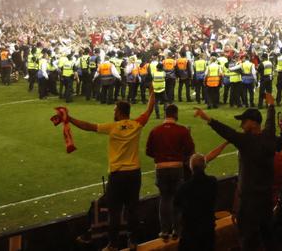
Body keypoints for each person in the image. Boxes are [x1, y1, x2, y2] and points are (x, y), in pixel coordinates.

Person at [66, 85, 156, 251]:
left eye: (115, 110)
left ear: (120, 112)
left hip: (117, 175)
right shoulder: (136, 124)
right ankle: (133, 241)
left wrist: (69, 119)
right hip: (134, 174)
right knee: (132, 209)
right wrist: (151, 93)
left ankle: (113, 245)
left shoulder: (112, 127)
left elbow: (88, 126)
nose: (113, 112)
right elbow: (150, 109)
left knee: (114, 211)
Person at [194, 91, 279, 250]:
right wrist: (271, 105)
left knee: (247, 238)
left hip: (249, 201)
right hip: (266, 197)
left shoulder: (246, 141)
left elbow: (227, 132)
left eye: (244, 121)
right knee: (268, 236)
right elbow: (270, 122)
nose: (241, 125)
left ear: (253, 123)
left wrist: (207, 118)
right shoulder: (268, 136)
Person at [145, 103, 195, 241]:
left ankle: (164, 231)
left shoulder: (155, 131)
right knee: (177, 199)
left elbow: (148, 151)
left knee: (164, 199)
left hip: (161, 167)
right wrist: (180, 156)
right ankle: (177, 230)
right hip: (176, 167)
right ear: (176, 114)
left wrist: (160, 157)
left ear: (165, 114)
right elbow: (190, 148)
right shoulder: (182, 130)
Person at [174, 153, 219, 251]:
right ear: (205, 166)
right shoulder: (213, 182)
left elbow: (176, 204)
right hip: (208, 229)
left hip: (190, 232)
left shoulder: (184, 188)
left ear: (191, 167)